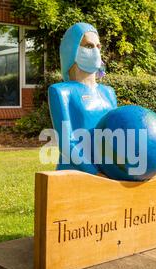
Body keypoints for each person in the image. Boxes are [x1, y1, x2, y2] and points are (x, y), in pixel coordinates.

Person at [48, 22, 117, 175]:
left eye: (98, 46)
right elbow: (66, 143)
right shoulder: (60, 92)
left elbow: (116, 134)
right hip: (75, 175)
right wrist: (94, 173)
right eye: (89, 46)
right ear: (71, 49)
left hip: (108, 176)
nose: (96, 51)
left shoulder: (109, 93)